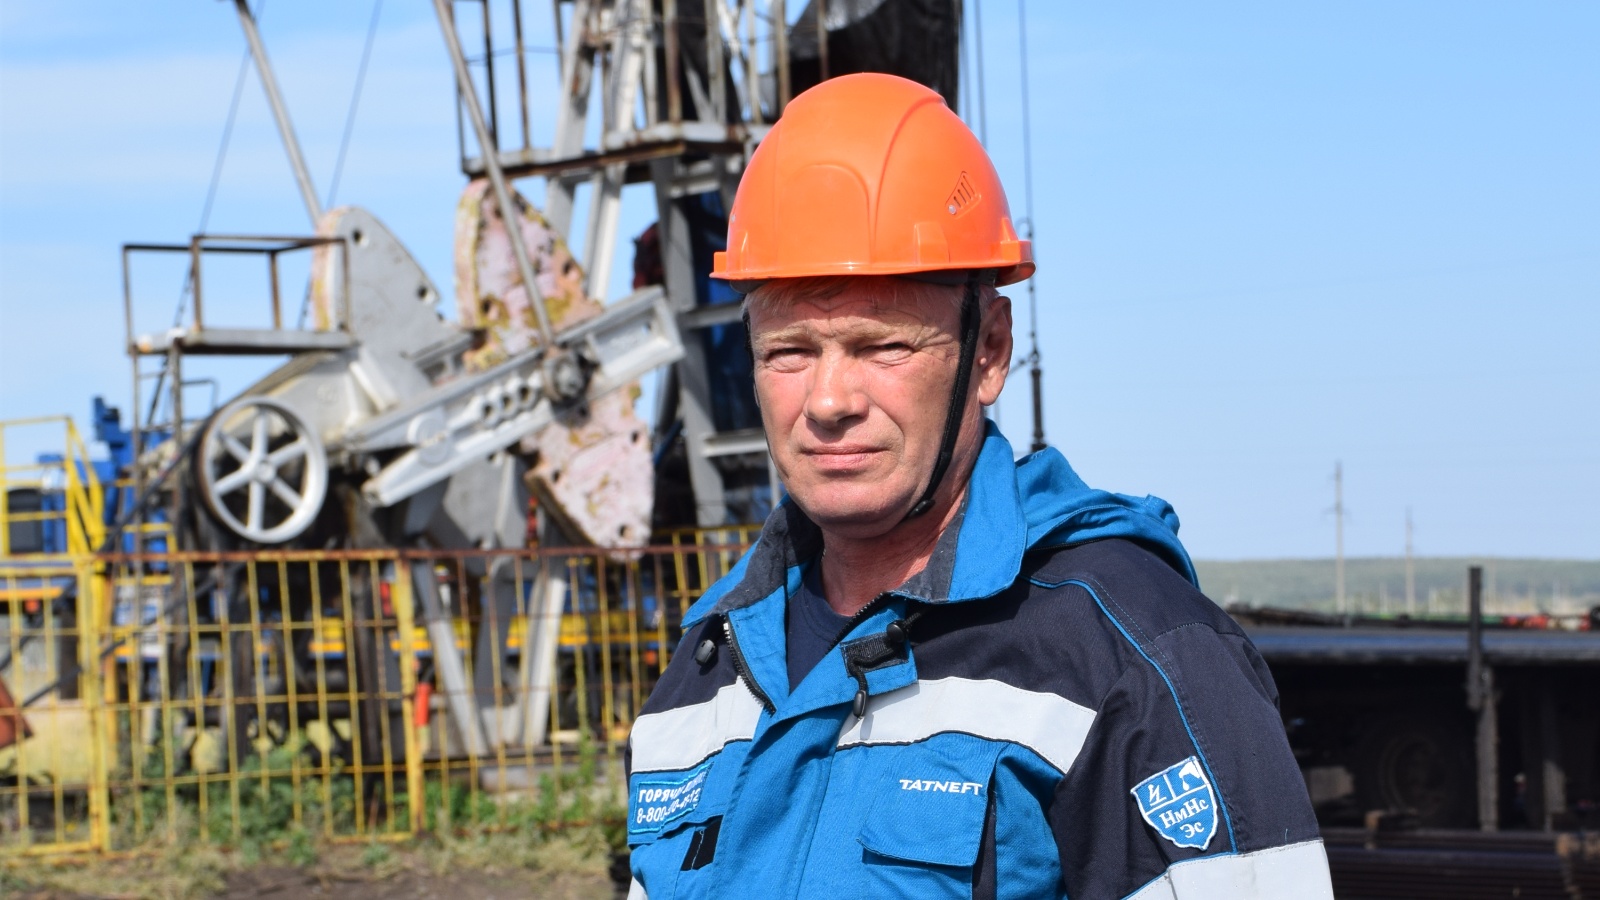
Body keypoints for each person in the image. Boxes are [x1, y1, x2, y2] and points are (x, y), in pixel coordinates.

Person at [625, 72, 1333, 900]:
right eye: (789, 352)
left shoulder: (1129, 656)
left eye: (882, 347)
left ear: (990, 351)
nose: (827, 402)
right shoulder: (709, 666)